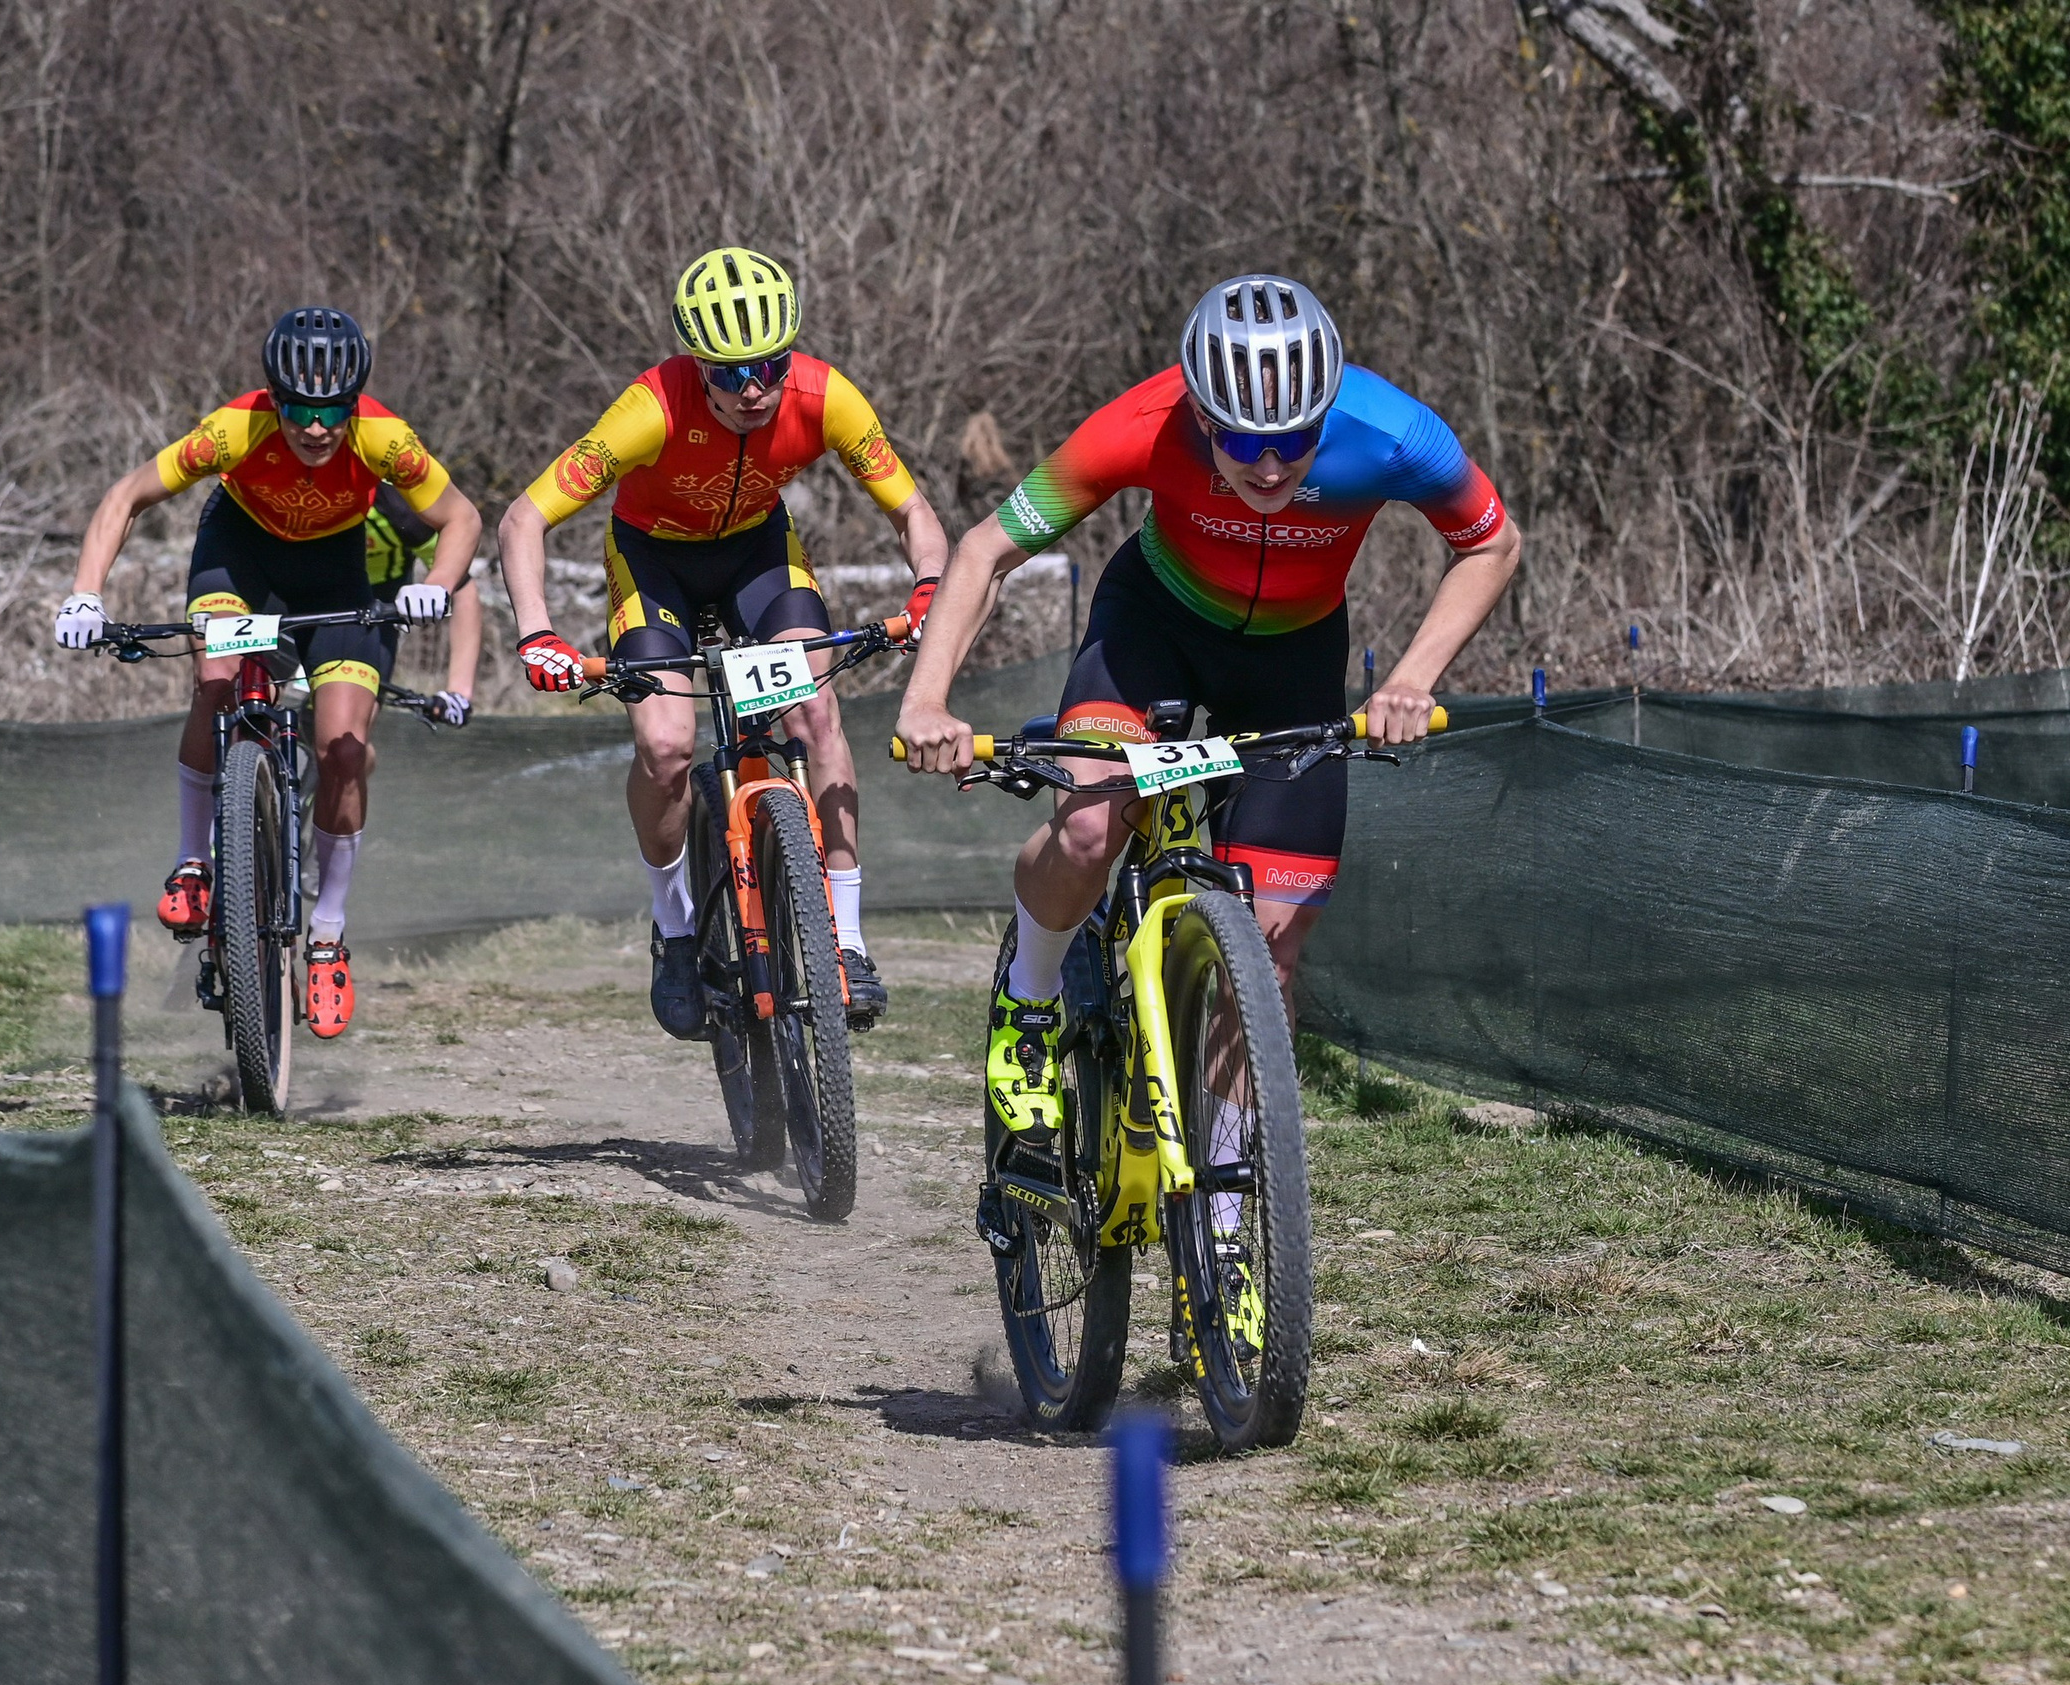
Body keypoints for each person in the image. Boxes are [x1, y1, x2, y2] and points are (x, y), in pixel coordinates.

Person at [892, 273, 1521, 1232]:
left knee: (1270, 948)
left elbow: (1493, 544)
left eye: (1294, 441)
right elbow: (984, 551)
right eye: (1239, 440)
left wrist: (1411, 679)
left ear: (1326, 410)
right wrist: (927, 698)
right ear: (1198, 411)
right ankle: (1031, 999)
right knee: (1090, 825)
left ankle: (1227, 1220)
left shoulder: (1393, 432)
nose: (1268, 465)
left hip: (1294, 660)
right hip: (1152, 630)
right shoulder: (1144, 423)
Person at [498, 246, 950, 1038]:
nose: (752, 390)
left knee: (816, 716)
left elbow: (913, 512)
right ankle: (674, 927)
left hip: (757, 557)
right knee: (666, 746)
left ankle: (846, 941)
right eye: (729, 373)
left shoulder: (825, 396)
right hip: (653, 563)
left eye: (769, 368)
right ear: (696, 366)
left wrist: (929, 588)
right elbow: (523, 518)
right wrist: (537, 630)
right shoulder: (651, 409)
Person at [52, 306, 483, 1040]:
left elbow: (462, 517)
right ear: (274, 401)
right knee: (215, 684)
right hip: (240, 556)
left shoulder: (384, 436)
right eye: (298, 410)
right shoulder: (235, 428)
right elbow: (128, 496)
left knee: (343, 749)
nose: (315, 428)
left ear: (353, 405)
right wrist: (85, 593)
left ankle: (327, 934)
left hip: (334, 577)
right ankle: (193, 863)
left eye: (332, 411)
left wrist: (437, 584)